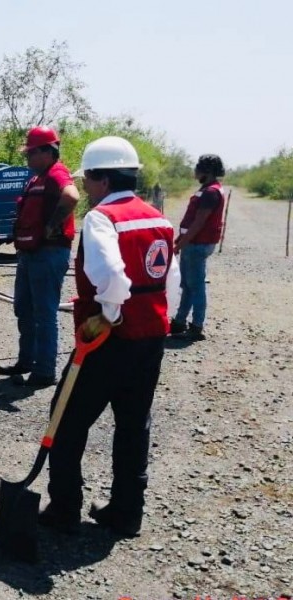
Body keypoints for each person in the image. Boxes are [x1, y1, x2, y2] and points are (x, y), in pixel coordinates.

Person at [37, 136, 181, 537]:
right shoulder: (158, 218)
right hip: (151, 337)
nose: (84, 188)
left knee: (66, 421)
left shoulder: (103, 218)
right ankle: (126, 512)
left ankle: (65, 509)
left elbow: (114, 278)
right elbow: (172, 281)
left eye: (88, 180)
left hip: (109, 340)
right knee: (134, 424)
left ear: (101, 179)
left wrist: (109, 315)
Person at [0, 126, 80, 387]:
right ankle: (26, 361)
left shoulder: (57, 174)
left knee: (44, 313)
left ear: (47, 151)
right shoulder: (37, 178)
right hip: (31, 254)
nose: (28, 158)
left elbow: (71, 197)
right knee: (24, 308)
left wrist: (51, 227)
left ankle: (44, 371)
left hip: (49, 253)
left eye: (31, 153)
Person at [169, 154, 226, 341]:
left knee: (195, 286)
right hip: (194, 243)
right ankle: (179, 322)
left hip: (197, 244)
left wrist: (181, 245)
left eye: (198, 168)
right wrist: (179, 241)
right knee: (187, 285)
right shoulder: (209, 189)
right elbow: (192, 222)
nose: (195, 171)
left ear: (207, 172)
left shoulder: (210, 192)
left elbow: (199, 222)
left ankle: (196, 325)